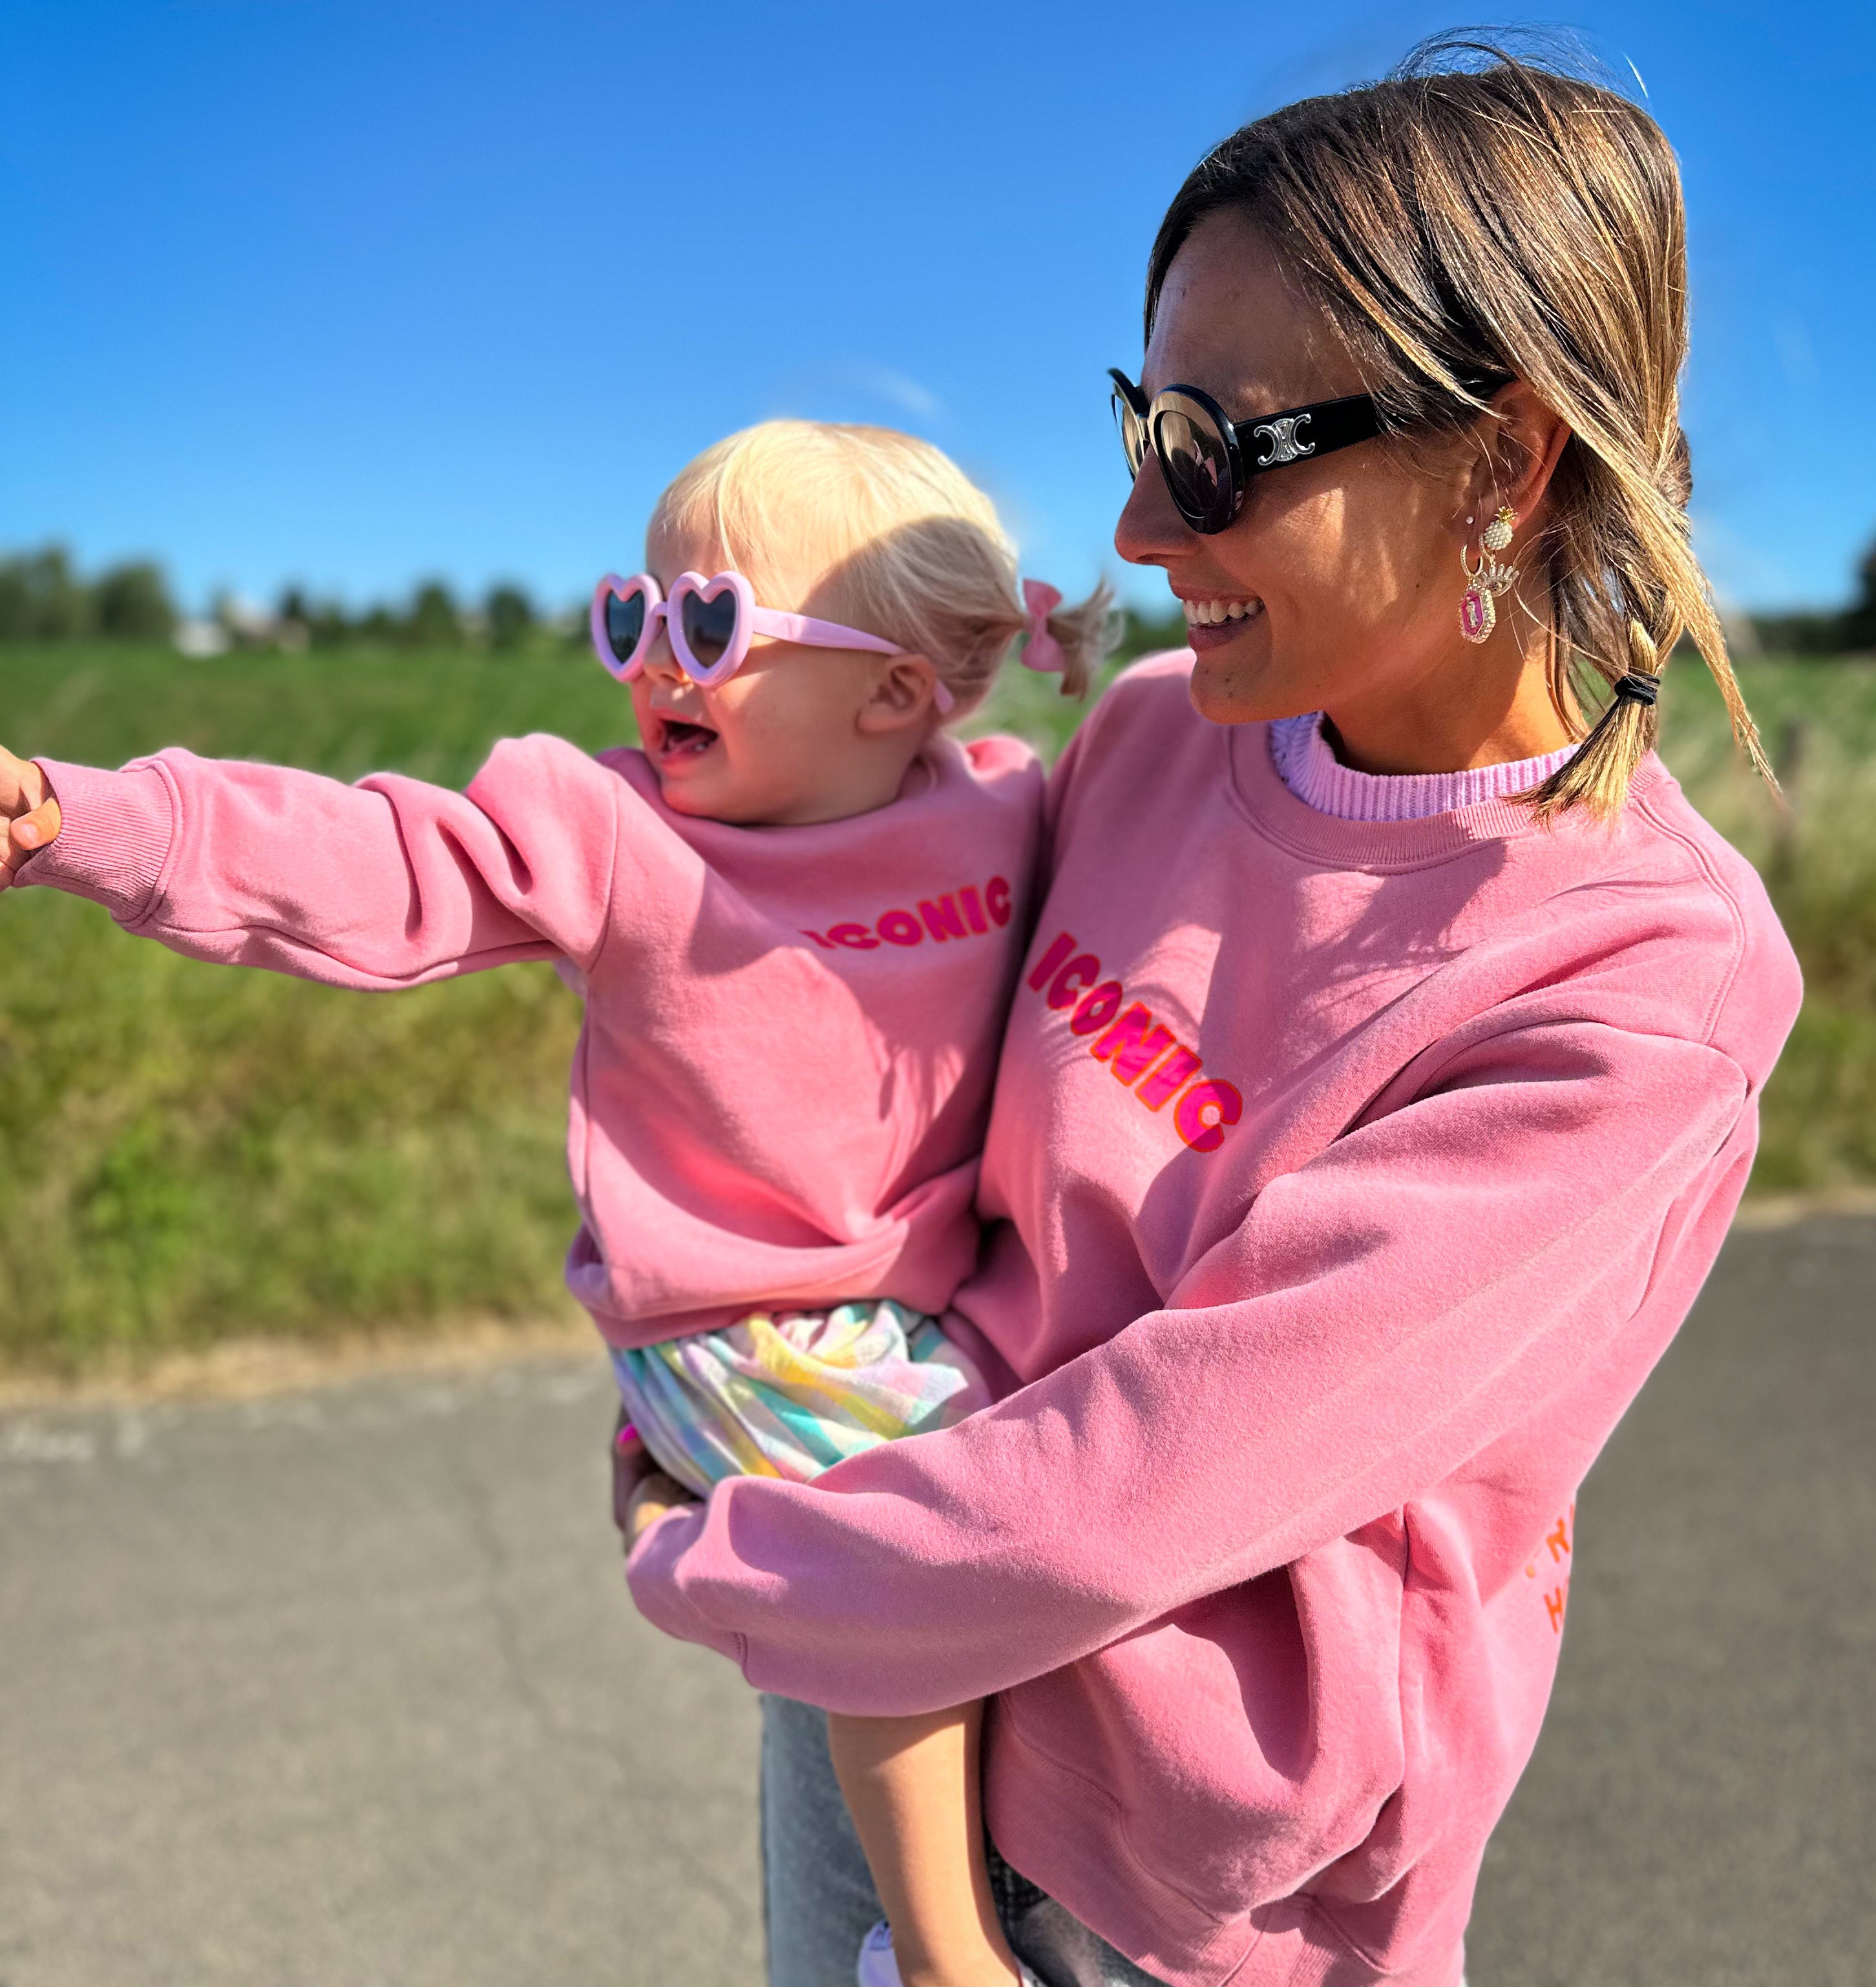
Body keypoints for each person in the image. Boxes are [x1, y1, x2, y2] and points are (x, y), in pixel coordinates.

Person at [611, 46, 1804, 1987]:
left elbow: (1138, 1485)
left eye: (1214, 449)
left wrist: (724, 1543)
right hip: (876, 1676)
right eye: (1138, 422)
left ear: (1501, 463)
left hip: (1173, 1888)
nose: (1137, 529)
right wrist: (727, 1372)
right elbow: (899, 1103)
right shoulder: (1154, 734)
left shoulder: (1634, 986)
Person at [0, 417, 1112, 1987]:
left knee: (1049, 1510)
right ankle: (941, 1948)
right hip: (742, 1325)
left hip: (907, 1305)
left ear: (893, 691)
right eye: (631, 612)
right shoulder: (612, 830)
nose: (653, 659)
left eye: (707, 621)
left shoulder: (1002, 808)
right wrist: (81, 816)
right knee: (915, 1534)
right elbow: (369, 859)